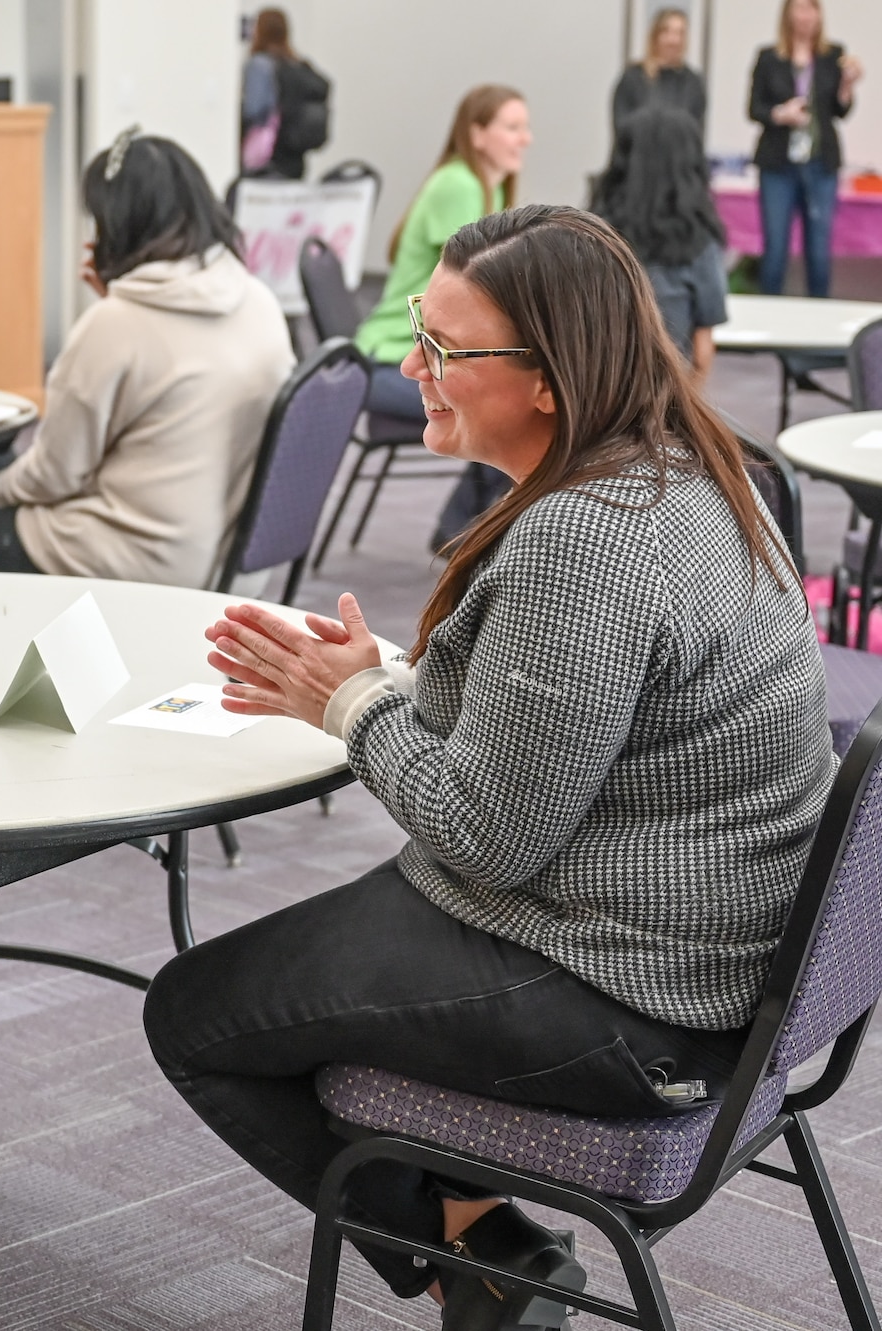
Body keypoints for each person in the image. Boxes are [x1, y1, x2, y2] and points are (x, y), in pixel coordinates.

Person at [148, 205, 832, 1325]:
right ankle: (482, 1237)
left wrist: (352, 699)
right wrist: (395, 680)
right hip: (715, 943)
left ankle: (479, 1259)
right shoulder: (690, 468)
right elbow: (588, 714)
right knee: (293, 986)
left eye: (447, 352)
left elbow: (483, 831)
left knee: (197, 1016)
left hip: (634, 987)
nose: (411, 367)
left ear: (550, 381)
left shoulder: (584, 540)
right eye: (420, 331)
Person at [0, 131, 292, 587]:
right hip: (232, 560)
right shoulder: (257, 299)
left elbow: (57, 474)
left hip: (141, 559)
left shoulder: (116, 325)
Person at [356, 85, 530, 552]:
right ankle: (465, 538)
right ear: (476, 134)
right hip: (391, 356)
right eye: (512, 127)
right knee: (506, 403)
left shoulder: (476, 185)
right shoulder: (460, 186)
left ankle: (465, 535)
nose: (525, 138)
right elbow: (475, 295)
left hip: (409, 350)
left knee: (503, 393)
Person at [595, 105, 727, 379]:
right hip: (662, 392)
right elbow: (702, 353)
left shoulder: (593, 234)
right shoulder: (699, 242)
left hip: (592, 387)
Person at [749, 0, 862, 299]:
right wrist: (780, 114)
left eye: (811, 8)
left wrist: (847, 85)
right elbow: (754, 108)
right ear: (787, 14)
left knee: (819, 249)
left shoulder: (832, 56)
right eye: (799, 8)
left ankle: (819, 326)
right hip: (778, 166)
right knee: (775, 249)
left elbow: (840, 110)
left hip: (819, 164)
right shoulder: (769, 57)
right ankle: (768, 319)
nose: (805, 15)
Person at [240, 7, 333, 181]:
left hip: (266, 156)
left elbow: (254, 109)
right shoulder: (297, 64)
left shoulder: (259, 65)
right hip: (295, 157)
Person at [611, 7, 707, 132]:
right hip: (639, 150)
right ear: (655, 36)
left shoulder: (693, 82)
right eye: (667, 32)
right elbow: (622, 126)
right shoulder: (633, 78)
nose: (674, 40)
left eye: (680, 33)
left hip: (680, 151)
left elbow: (694, 130)